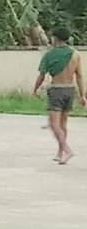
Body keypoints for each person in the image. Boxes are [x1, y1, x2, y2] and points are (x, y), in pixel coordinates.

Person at [34, 31, 85, 166]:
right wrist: (82, 95)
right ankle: (60, 152)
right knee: (63, 123)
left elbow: (42, 75)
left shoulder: (50, 55)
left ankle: (67, 150)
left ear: (55, 38)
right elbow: (79, 76)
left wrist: (35, 89)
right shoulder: (75, 54)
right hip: (70, 89)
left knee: (53, 124)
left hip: (57, 89)